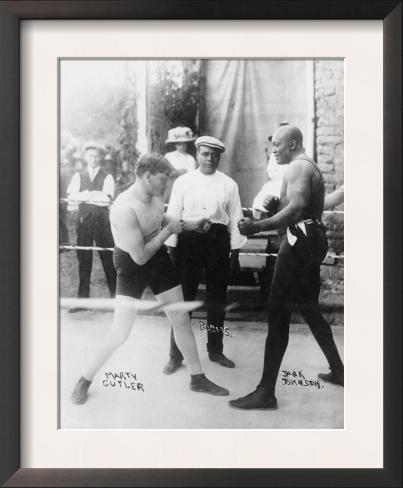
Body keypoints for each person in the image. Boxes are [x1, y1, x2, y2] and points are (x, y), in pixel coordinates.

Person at [71, 153, 229, 404]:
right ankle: (84, 379)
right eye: (163, 178)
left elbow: (159, 218)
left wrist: (190, 224)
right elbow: (141, 256)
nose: (167, 184)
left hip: (157, 257)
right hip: (132, 263)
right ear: (147, 176)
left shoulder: (156, 194)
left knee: (180, 317)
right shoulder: (124, 208)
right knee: (120, 331)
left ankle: (197, 378)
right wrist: (168, 232)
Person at [229, 125, 344, 410]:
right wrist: (276, 209)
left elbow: (297, 208)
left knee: (277, 311)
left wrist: (258, 226)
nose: (273, 150)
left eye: (278, 145)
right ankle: (340, 371)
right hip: (311, 239)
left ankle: (265, 392)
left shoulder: (297, 167)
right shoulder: (308, 166)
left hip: (299, 241)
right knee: (308, 308)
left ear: (293, 144)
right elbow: (313, 206)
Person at [162, 136, 247, 375]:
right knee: (183, 300)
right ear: (197, 154)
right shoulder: (183, 182)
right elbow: (173, 216)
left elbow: (235, 220)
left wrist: (235, 251)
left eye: (214, 155)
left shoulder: (229, 184)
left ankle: (216, 350)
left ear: (219, 157)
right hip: (188, 243)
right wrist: (171, 247)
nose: (209, 159)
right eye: (205, 154)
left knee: (217, 299)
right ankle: (175, 354)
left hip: (217, 243)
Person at [66, 143, 117, 311]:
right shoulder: (78, 176)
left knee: (108, 260)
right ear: (85, 157)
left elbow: (106, 200)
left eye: (96, 156)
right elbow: (72, 199)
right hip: (84, 222)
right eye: (90, 156)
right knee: (84, 260)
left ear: (101, 157)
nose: (93, 159)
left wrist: (84, 196)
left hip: (102, 224)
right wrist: (92, 194)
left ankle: (117, 301)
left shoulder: (107, 177)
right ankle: (83, 302)